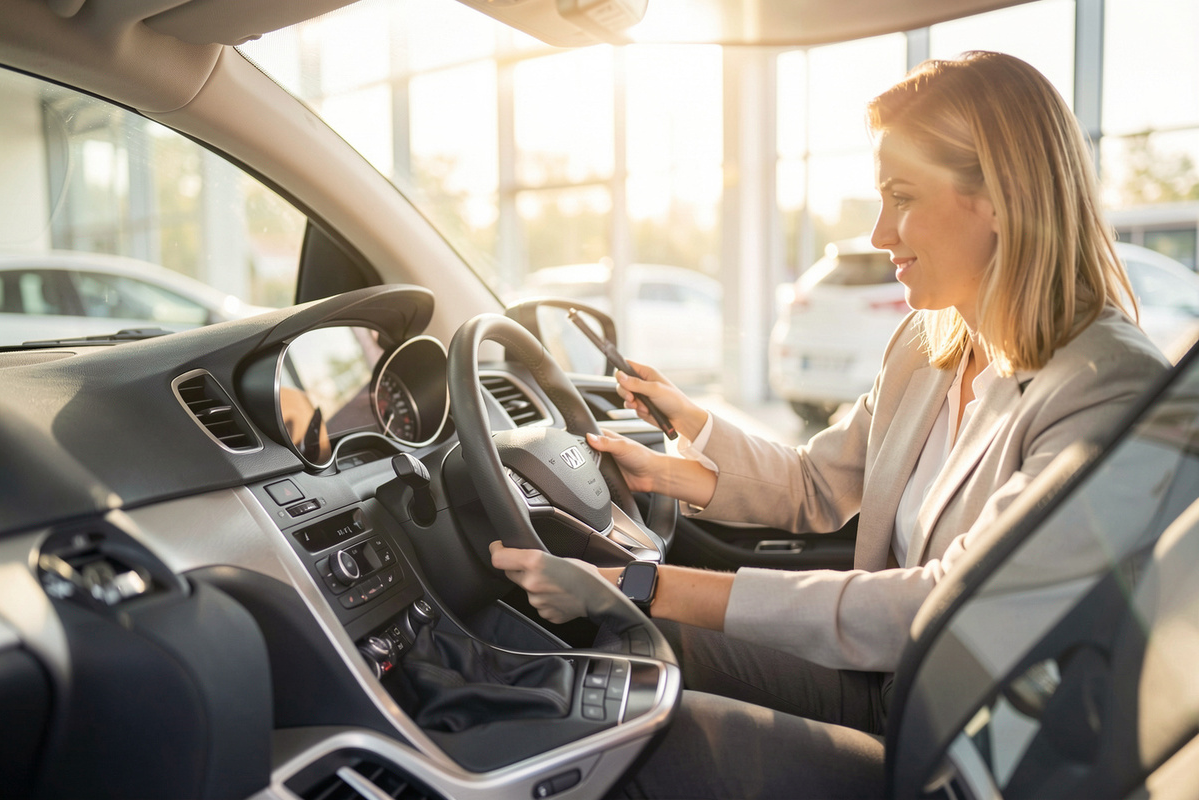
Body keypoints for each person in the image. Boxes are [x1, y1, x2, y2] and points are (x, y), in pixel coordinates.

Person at [492, 51, 1170, 798]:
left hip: (968, 756)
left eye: (901, 197)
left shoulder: (1108, 389)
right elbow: (821, 483)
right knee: (627, 656)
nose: (881, 233)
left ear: (1003, 198)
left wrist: (647, 583)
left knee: (655, 743)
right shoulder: (931, 346)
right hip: (888, 686)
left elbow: (939, 606)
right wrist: (679, 457)